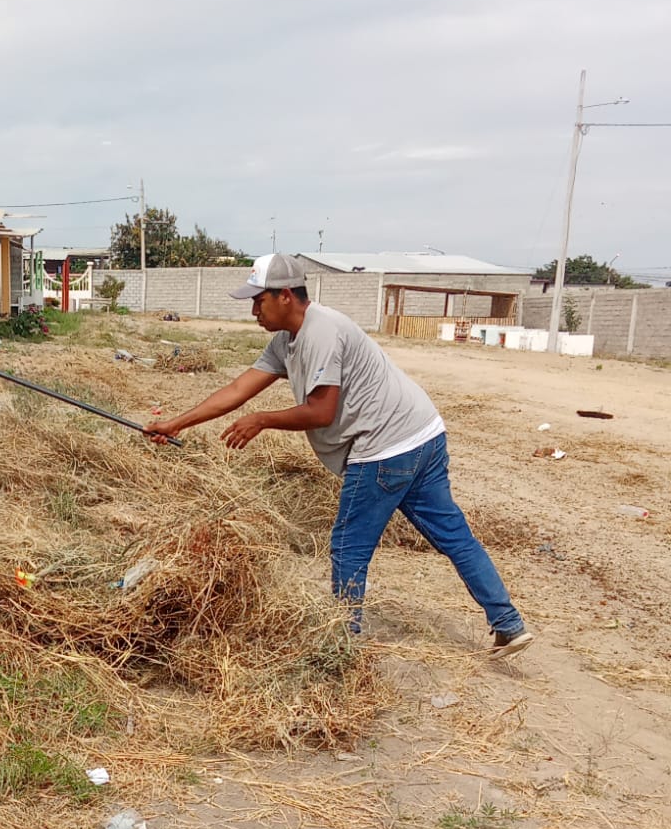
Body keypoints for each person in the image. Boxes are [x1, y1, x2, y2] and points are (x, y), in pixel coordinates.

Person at [144, 253, 533, 655]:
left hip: (385, 446)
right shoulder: (287, 341)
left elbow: (321, 412)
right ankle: (508, 623)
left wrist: (262, 419)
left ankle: (342, 645)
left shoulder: (320, 332)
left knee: (349, 546)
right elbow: (237, 389)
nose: (254, 310)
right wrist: (176, 424)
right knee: (454, 536)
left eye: (259, 301)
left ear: (285, 296)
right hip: (422, 433)